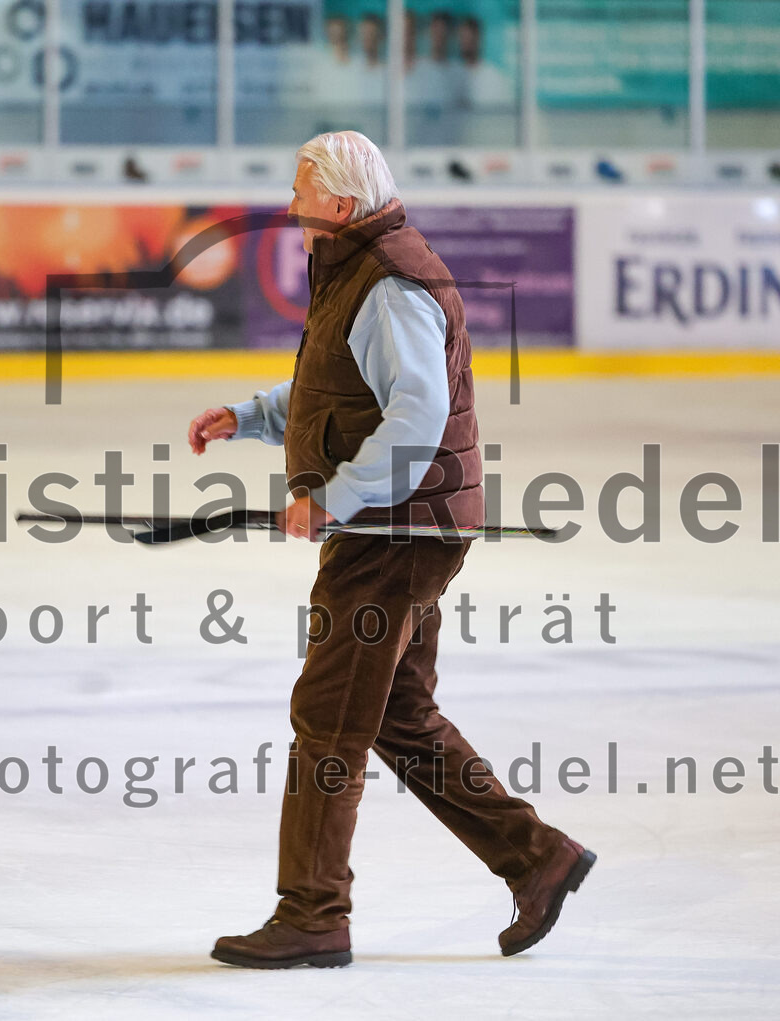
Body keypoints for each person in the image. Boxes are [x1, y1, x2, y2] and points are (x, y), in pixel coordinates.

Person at [188, 131, 594, 969]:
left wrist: (331, 498)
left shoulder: (390, 282)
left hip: (393, 534)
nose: (292, 207)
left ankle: (312, 913)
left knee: (328, 719)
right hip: (398, 528)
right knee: (399, 715)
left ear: (340, 205)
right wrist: (251, 417)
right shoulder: (360, 266)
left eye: (301, 194)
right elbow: (339, 387)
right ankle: (536, 857)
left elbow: (413, 419)